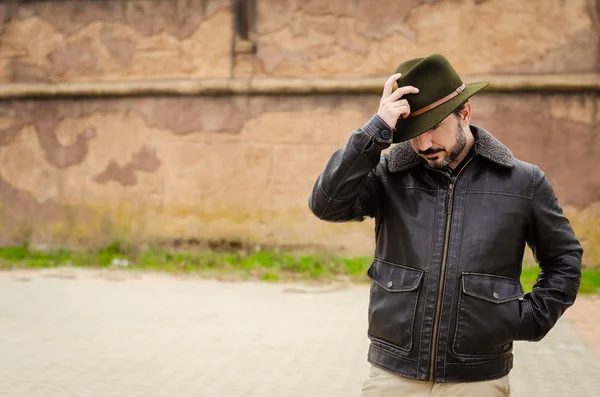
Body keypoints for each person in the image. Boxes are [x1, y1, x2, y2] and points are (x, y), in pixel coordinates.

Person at [308, 54, 583, 396]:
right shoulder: (389, 174)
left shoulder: (523, 182)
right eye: (414, 132)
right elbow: (326, 204)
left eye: (435, 126)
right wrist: (375, 130)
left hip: (477, 377)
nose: (424, 145)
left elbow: (564, 259)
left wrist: (527, 318)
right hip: (394, 373)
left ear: (464, 113)